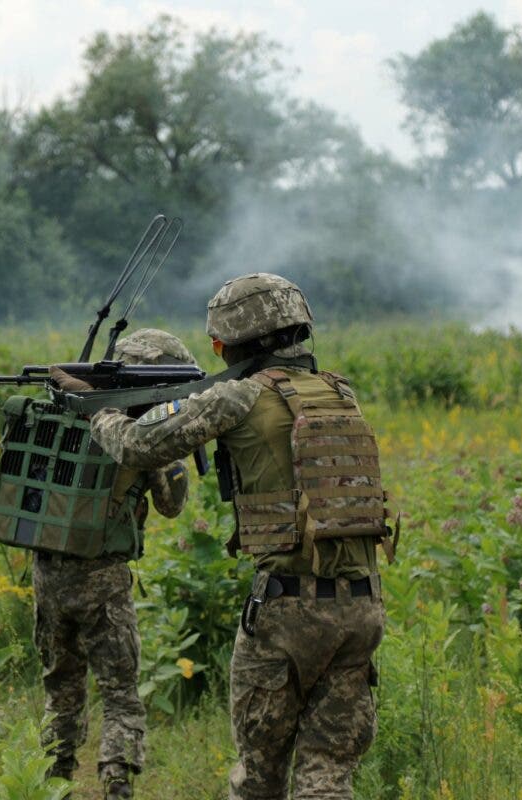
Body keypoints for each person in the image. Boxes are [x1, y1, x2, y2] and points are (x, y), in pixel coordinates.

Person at [85, 275, 390, 800]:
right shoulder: (341, 393)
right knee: (327, 776)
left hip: (286, 611)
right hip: (361, 609)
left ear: (230, 342)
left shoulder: (239, 396)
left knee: (259, 776)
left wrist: (99, 412)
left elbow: (138, 445)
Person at [44, 328, 192, 799]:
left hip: (47, 569)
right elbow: (171, 505)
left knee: (60, 685)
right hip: (103, 575)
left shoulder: (64, 412)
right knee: (120, 692)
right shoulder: (133, 428)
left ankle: (54, 779)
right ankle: (116, 783)